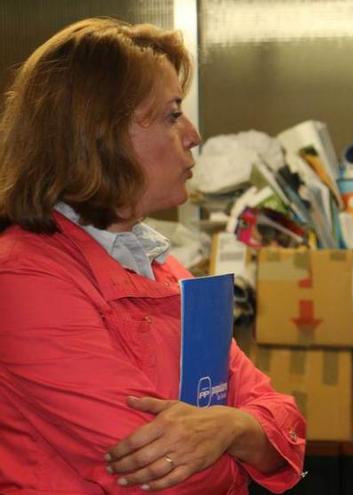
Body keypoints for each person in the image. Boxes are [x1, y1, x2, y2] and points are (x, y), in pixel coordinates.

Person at [0, 18, 306, 493]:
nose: (193, 133)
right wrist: (246, 448)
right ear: (100, 132)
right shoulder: (22, 278)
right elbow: (158, 475)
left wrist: (231, 428)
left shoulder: (161, 266)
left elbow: (284, 421)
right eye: (171, 115)